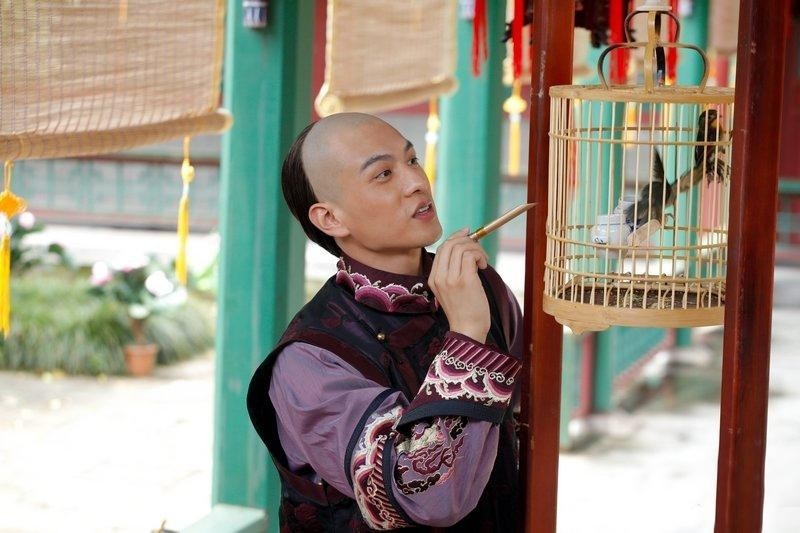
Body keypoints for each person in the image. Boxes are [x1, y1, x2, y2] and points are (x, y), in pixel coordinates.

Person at [247, 113, 524, 531]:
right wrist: (467, 333)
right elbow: (426, 497)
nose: (415, 182)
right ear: (330, 219)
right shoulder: (309, 359)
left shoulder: (480, 285)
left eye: (412, 160)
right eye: (383, 174)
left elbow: (519, 416)